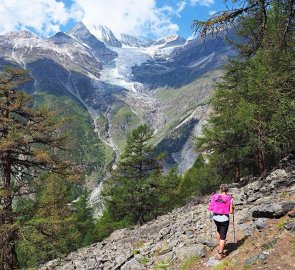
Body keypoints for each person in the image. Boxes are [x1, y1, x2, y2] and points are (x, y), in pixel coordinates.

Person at [208, 184, 233, 259]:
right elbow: (231, 212)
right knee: (223, 236)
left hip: (216, 217)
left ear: (220, 189)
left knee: (218, 230)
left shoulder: (215, 196)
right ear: (227, 190)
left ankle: (219, 245)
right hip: (224, 219)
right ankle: (220, 253)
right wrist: (232, 206)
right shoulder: (229, 198)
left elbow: (211, 206)